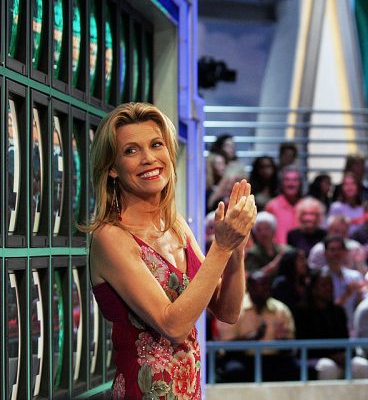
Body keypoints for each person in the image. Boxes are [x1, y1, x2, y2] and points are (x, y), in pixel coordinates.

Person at [88, 103, 257, 399]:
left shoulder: (176, 225)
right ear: (112, 168)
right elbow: (173, 325)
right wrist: (221, 247)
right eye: (131, 151)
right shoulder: (111, 237)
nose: (148, 158)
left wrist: (236, 250)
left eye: (156, 145)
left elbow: (228, 312)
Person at [217, 271, 298, 382]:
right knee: (234, 370)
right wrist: (252, 338)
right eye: (261, 286)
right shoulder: (234, 308)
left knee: (293, 367)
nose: (266, 290)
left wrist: (283, 340)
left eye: (268, 286)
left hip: (273, 359)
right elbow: (226, 347)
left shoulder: (281, 310)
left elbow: (292, 347)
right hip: (243, 358)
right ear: (249, 288)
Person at [294, 269, 368, 380]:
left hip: (339, 356)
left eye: (330, 285)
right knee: (328, 368)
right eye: (324, 285)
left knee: (361, 365)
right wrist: (331, 356)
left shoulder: (338, 311)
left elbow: (345, 340)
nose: (329, 289)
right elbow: (304, 345)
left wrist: (345, 355)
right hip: (314, 357)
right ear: (313, 288)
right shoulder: (302, 312)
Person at [323, 235, 365, 335]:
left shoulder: (355, 276)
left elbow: (360, 306)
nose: (336, 253)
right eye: (332, 250)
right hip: (328, 330)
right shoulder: (320, 278)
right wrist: (347, 294)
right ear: (325, 253)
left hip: (351, 330)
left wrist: (359, 294)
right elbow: (327, 309)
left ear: (345, 252)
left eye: (339, 249)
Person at [244, 211, 291, 277]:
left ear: (273, 230)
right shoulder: (251, 254)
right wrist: (274, 265)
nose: (263, 233)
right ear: (255, 233)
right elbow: (252, 277)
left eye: (267, 229)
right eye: (259, 230)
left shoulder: (285, 250)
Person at [265, 166, 303, 244]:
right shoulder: (272, 205)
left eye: (295, 180)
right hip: (279, 253)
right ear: (281, 183)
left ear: (300, 183)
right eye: (287, 180)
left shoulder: (306, 205)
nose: (291, 183)